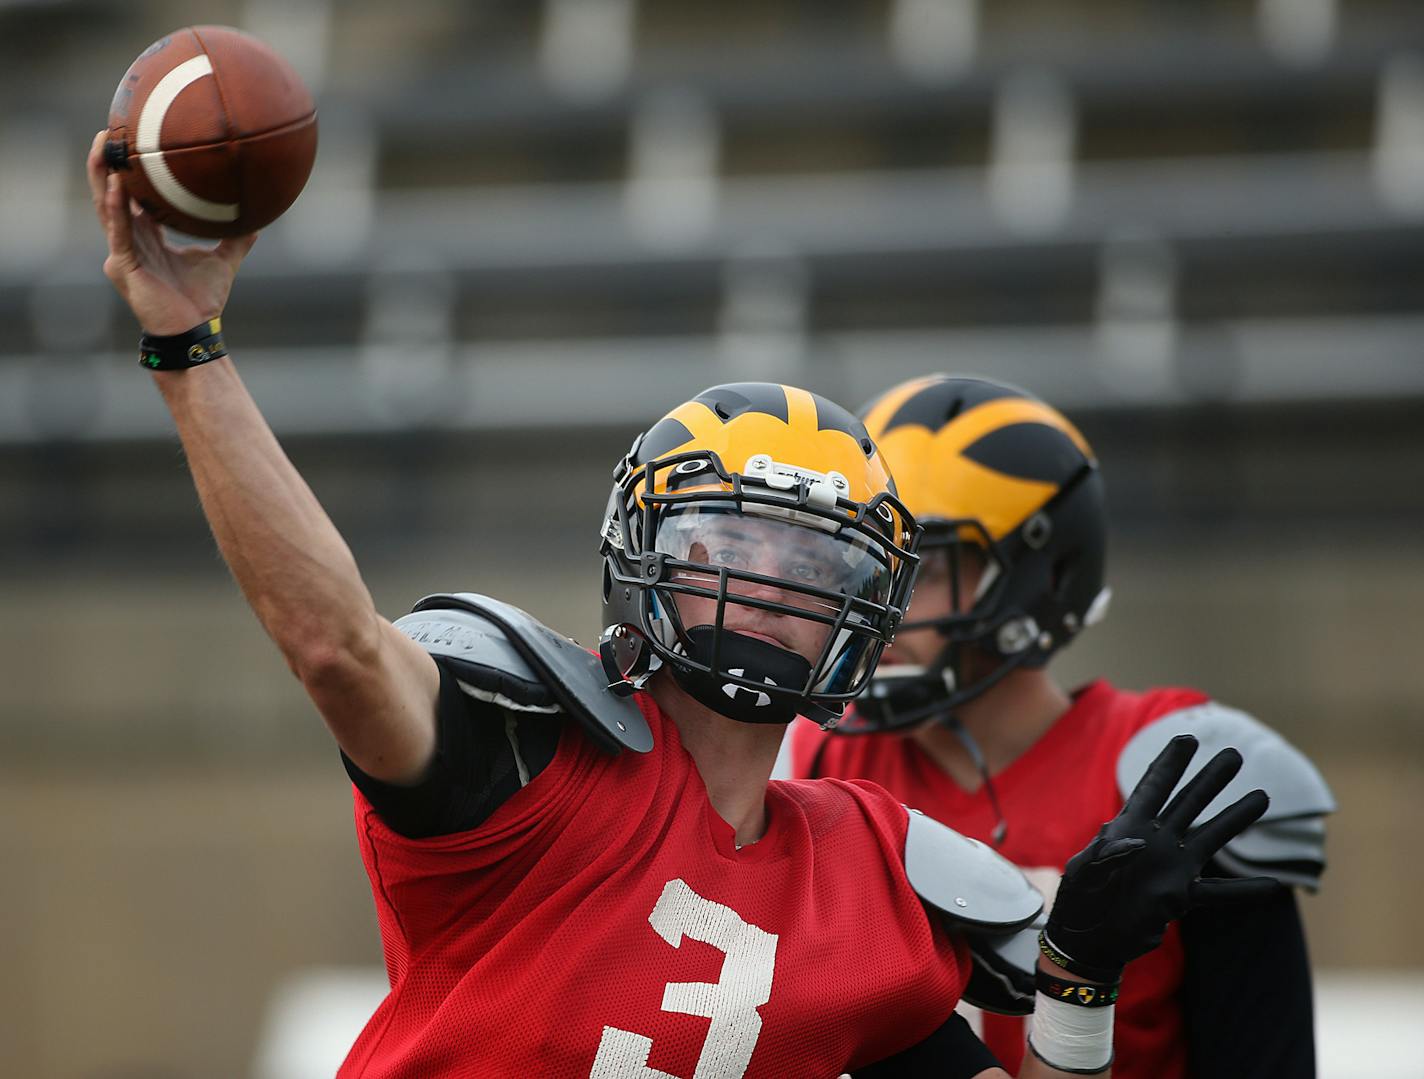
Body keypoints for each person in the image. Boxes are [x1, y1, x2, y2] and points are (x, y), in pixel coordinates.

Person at [89, 134, 1275, 1078]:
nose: (762, 584)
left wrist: (1073, 982)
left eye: (810, 565)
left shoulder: (871, 870)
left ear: (863, 613)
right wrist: (187, 345)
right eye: (726, 540)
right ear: (640, 550)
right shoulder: (523, 753)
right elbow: (334, 645)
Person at [789, 374, 1335, 1078]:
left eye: (918, 568)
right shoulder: (804, 764)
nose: (878, 603)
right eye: (861, 562)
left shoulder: (1172, 771)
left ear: (1036, 576)